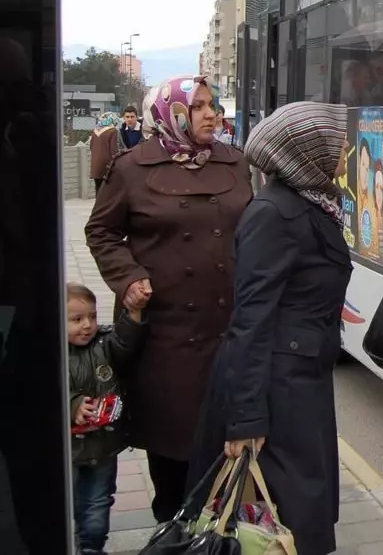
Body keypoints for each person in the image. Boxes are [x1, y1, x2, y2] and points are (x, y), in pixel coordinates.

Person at [84, 74, 253, 523]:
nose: (211, 113)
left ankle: (219, 537)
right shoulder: (131, 166)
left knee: (227, 453)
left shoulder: (234, 162)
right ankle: (173, 533)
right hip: (166, 337)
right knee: (174, 457)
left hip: (227, 329)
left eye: (212, 104)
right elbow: (101, 231)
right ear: (171, 112)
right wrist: (128, 277)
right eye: (198, 106)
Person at [187, 101, 351, 555]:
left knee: (296, 517)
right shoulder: (274, 215)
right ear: (308, 151)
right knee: (284, 519)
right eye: (337, 143)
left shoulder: (314, 204)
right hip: (277, 393)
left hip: (300, 381)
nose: (346, 150)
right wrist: (246, 419)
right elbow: (251, 319)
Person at [67, 281, 147, 555]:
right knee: (71, 502)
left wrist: (134, 315)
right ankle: (73, 542)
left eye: (91, 316)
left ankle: (92, 547)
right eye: (76, 319)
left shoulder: (103, 343)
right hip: (70, 452)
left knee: (98, 502)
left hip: (102, 447)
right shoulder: (54, 353)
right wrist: (73, 404)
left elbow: (125, 344)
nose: (87, 325)